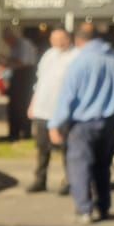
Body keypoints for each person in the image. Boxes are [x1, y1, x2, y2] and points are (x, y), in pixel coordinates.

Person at [48, 26, 114, 225]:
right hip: (109, 120)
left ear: (79, 41)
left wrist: (55, 124)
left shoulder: (80, 61)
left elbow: (67, 96)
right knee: (102, 166)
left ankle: (84, 209)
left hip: (83, 122)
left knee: (80, 165)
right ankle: (104, 206)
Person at [27, 27, 77, 194]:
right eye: (52, 39)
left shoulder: (75, 57)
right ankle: (40, 179)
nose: (55, 42)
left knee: (66, 148)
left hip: (62, 111)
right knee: (42, 148)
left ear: (68, 39)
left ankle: (70, 180)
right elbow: (39, 82)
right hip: (43, 109)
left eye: (59, 38)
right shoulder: (49, 56)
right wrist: (33, 104)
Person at [0, 27, 38, 140]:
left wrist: (7, 62)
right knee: (13, 107)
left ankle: (25, 133)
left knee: (22, 107)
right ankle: (14, 132)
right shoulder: (15, 47)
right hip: (17, 78)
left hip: (25, 79)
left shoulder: (23, 44)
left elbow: (22, 63)